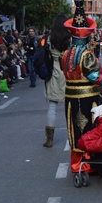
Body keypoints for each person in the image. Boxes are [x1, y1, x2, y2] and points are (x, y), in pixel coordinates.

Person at [62, 0, 102, 174]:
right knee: (89, 128)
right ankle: (89, 162)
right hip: (88, 97)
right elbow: (93, 76)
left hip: (70, 97)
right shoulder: (86, 54)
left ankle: (76, 163)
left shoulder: (66, 53)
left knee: (74, 127)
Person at [42, 14, 71, 148]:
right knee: (70, 107)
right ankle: (72, 136)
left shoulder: (50, 38)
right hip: (68, 71)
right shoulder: (70, 38)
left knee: (52, 106)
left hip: (54, 71)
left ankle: (49, 139)